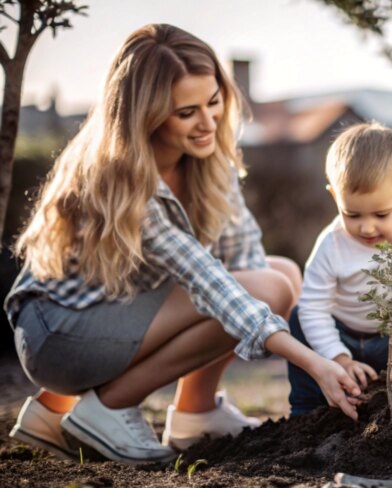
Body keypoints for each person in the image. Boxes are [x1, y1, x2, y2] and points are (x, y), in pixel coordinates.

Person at [4, 23, 361, 463]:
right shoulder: (122, 176)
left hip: (112, 315)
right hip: (58, 336)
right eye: (187, 111)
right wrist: (312, 362)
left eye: (213, 101)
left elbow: (246, 258)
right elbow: (208, 280)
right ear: (147, 115)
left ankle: (193, 413)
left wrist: (334, 349)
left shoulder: (208, 161)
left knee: (280, 273)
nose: (208, 122)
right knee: (263, 288)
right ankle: (108, 408)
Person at [287, 122, 392, 415]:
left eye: (381, 214)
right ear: (335, 197)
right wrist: (339, 358)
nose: (367, 227)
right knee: (298, 318)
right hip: (340, 334)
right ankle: (307, 411)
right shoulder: (331, 245)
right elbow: (313, 308)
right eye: (352, 214)